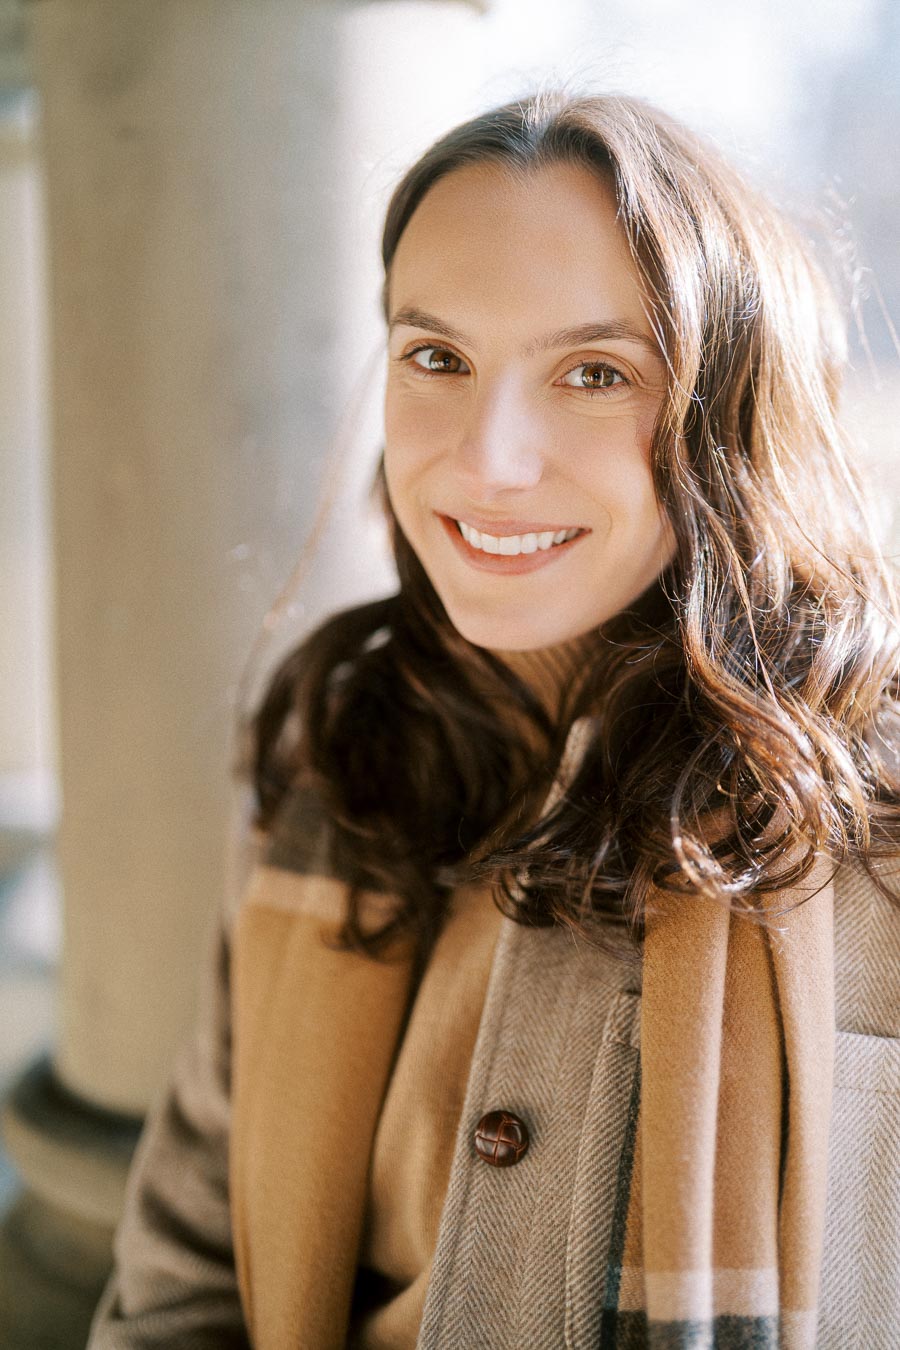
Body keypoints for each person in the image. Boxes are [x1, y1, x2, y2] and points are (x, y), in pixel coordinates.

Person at [87, 90, 899, 1349]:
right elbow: (179, 1286)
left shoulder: (867, 816)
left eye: (593, 373)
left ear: (731, 411)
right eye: (438, 359)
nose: (489, 459)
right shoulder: (340, 766)